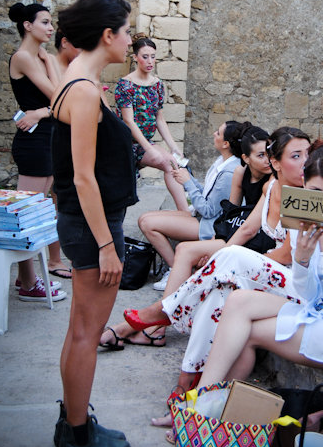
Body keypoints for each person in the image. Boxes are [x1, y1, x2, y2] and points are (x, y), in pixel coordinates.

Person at [123, 127, 311, 416]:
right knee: (218, 293)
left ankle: (165, 310)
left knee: (233, 258)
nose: (306, 162)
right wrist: (219, 261)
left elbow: (287, 254)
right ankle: (187, 383)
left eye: (308, 154)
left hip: (297, 281)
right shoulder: (271, 187)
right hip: (273, 277)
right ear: (276, 162)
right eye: (296, 156)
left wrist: (240, 260)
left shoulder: (306, 195)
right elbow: (247, 229)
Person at [197, 137, 323, 392]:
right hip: (316, 310)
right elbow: (307, 294)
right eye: (316, 192)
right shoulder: (302, 215)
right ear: (304, 184)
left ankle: (206, 400)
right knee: (238, 301)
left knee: (247, 333)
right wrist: (303, 260)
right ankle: (204, 399)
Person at [51, 0, 135, 447]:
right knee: (87, 333)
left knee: (78, 330)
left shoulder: (76, 79)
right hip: (92, 227)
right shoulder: (83, 89)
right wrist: (106, 245)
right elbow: (82, 177)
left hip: (84, 223)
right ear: (107, 34)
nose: (130, 40)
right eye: (126, 31)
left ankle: (72, 421)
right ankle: (79, 439)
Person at [99, 123, 272, 348]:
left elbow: (246, 227)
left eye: (269, 153)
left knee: (187, 254)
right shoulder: (240, 171)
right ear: (245, 158)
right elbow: (229, 216)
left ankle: (150, 323)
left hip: (255, 242)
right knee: (182, 248)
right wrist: (213, 245)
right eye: (261, 155)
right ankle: (154, 326)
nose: (269, 160)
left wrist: (217, 253)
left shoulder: (270, 182)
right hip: (233, 237)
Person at [137, 120, 244, 293]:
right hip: (203, 218)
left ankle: (177, 271)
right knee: (145, 218)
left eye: (218, 132)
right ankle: (177, 268)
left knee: (147, 224)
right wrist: (186, 177)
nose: (214, 134)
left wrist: (187, 183)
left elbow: (209, 210)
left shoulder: (230, 172)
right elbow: (207, 195)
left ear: (226, 144)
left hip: (209, 225)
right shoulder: (221, 161)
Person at [8, 2, 69, 296]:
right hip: (33, 143)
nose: (50, 28)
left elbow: (62, 98)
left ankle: (27, 279)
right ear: (27, 26)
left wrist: (48, 61)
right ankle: (29, 283)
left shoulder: (43, 58)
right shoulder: (22, 56)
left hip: (47, 138)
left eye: (50, 22)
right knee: (27, 214)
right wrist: (46, 110)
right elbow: (59, 96)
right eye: (44, 22)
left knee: (40, 211)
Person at [115, 35, 189, 212]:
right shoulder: (125, 85)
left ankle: (185, 213)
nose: (150, 61)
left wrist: (174, 147)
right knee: (122, 193)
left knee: (171, 163)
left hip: (144, 143)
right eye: (145, 56)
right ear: (135, 57)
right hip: (123, 143)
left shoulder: (157, 84)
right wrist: (149, 149)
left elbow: (159, 119)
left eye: (153, 56)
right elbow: (128, 121)